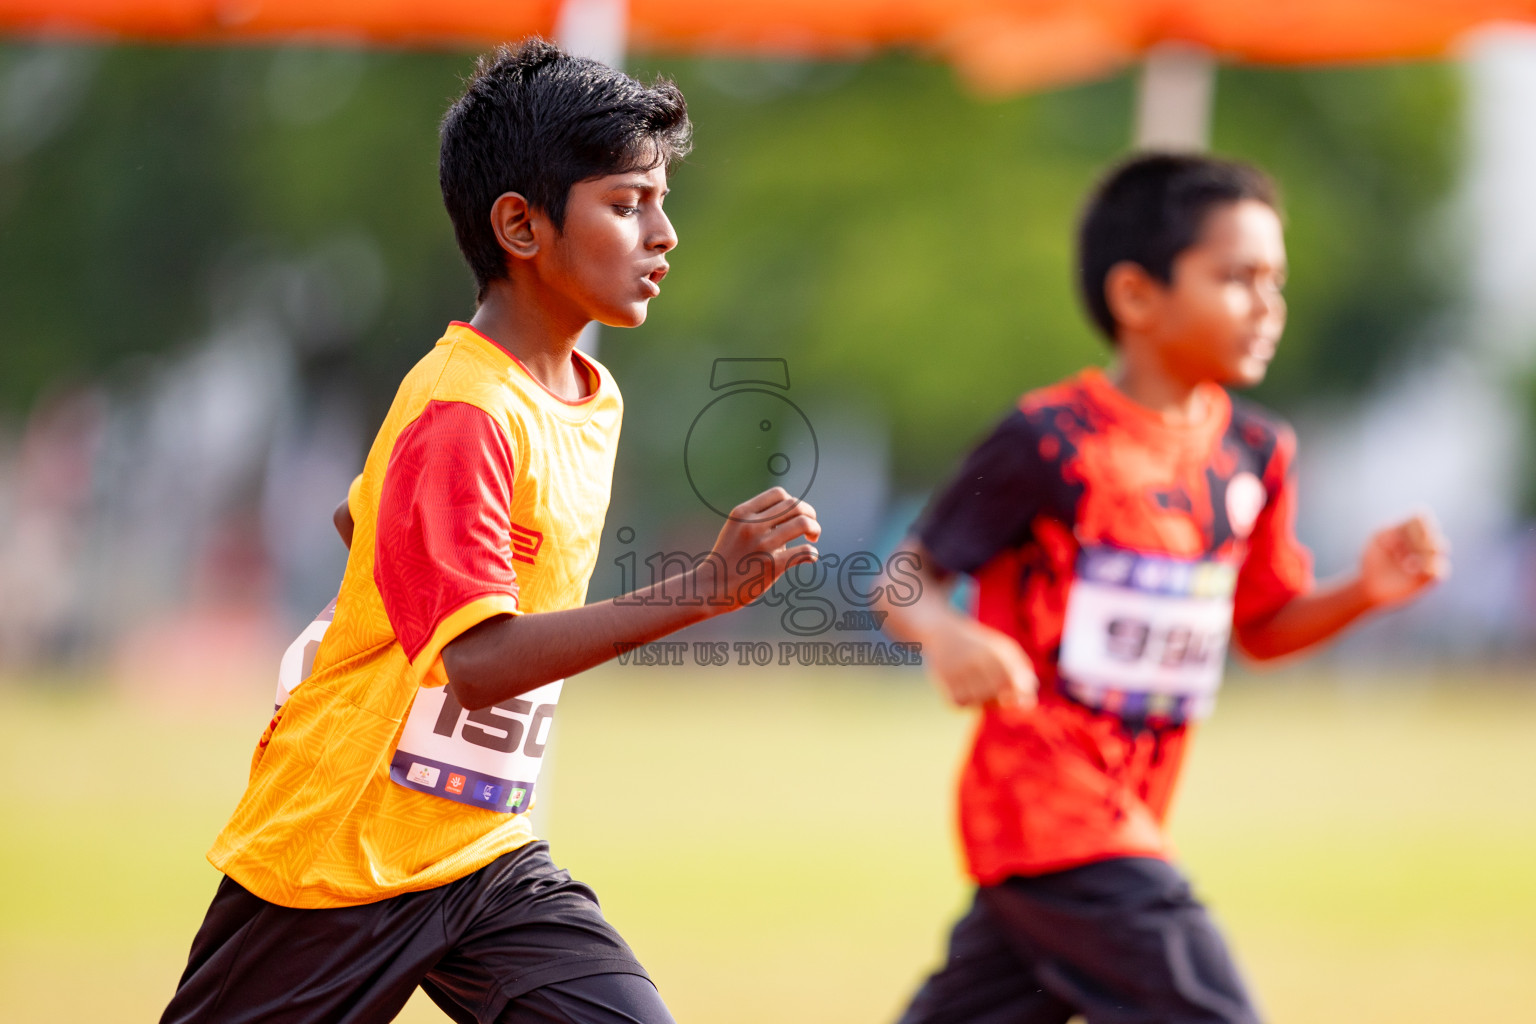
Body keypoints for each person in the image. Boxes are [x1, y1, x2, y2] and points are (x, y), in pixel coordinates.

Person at [162, 40, 820, 1024]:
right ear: (521, 222)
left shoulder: (584, 399)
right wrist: (701, 588)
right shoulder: (465, 405)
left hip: (479, 852)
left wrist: (396, 594)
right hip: (341, 844)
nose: (664, 232)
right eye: (628, 201)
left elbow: (365, 513)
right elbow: (476, 659)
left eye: (662, 199)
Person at [878, 152, 1449, 1024]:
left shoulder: (1256, 453)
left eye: (1276, 280)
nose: (1268, 305)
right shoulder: (1050, 440)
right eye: (1237, 277)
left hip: (1113, 825)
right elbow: (909, 573)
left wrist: (1361, 592)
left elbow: (1262, 627)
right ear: (1138, 297)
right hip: (1050, 807)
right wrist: (949, 635)